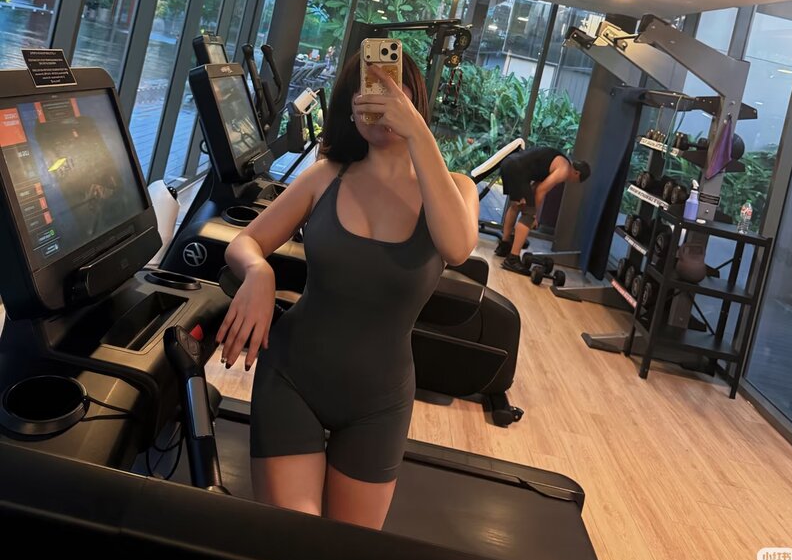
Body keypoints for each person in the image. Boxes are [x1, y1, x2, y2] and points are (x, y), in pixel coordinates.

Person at [216, 51, 479, 530]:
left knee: (345, 555)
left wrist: (416, 131)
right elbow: (245, 242)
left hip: (380, 401)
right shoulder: (327, 175)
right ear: (350, 108)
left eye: (390, 87)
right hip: (292, 377)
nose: (378, 100)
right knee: (293, 540)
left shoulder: (456, 190)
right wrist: (259, 273)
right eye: (366, 90)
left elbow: (457, 248)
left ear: (414, 100)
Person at [496, 146, 591, 275]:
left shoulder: (558, 160)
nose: (571, 182)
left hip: (508, 164)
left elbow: (535, 187)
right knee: (528, 215)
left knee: (516, 206)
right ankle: (513, 259)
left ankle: (504, 245)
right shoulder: (564, 170)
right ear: (577, 173)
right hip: (518, 170)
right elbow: (541, 191)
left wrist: (530, 205)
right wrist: (534, 215)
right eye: (576, 181)